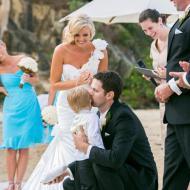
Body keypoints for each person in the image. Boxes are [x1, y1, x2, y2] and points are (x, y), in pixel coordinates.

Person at [23, 14, 108, 190]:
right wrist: (78, 81)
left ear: (91, 32)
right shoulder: (61, 50)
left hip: (90, 104)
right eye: (77, 35)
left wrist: (93, 81)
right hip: (67, 105)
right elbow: (55, 83)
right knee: (70, 142)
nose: (81, 39)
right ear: (71, 33)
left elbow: (104, 81)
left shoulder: (100, 50)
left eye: (85, 35)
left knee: (90, 141)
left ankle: (88, 183)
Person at [50, 71, 158, 190]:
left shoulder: (123, 117)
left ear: (109, 95)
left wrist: (84, 147)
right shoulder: (96, 114)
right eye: (90, 88)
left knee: (99, 164)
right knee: (70, 184)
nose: (89, 92)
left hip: (139, 177)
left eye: (95, 90)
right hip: (116, 171)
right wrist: (68, 171)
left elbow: (115, 159)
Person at [154, 0, 190, 189]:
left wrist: (173, 87)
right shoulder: (179, 20)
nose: (170, 0)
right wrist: (165, 83)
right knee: (172, 181)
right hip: (175, 114)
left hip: (188, 113)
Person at [0, 40, 44, 190]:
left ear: (4, 46)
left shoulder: (23, 60)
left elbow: (37, 80)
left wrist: (29, 79)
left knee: (24, 147)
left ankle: (18, 184)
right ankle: (10, 183)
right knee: (10, 147)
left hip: (28, 105)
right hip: (11, 108)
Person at [44, 85, 104, 190]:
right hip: (89, 159)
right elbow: (94, 136)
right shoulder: (92, 117)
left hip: (79, 159)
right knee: (90, 186)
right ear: (90, 101)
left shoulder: (76, 119)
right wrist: (100, 150)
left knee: (83, 184)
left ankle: (61, 169)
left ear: (73, 107)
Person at [139, 9, 169, 149]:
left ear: (160, 21)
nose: (149, 33)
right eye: (145, 30)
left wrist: (166, 74)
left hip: (179, 93)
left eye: (150, 28)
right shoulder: (153, 46)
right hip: (163, 98)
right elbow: (159, 74)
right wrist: (152, 75)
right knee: (166, 139)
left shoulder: (175, 39)